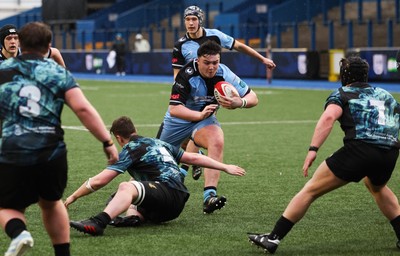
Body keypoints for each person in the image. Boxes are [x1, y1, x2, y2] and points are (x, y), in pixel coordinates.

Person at [248, 56, 400, 254]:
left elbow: (329, 117)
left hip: (360, 149)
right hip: (389, 153)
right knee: (377, 187)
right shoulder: (386, 95)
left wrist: (313, 149)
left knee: (310, 190)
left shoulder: (342, 93)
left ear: (345, 75)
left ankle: (273, 238)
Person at [0, 21, 119, 256]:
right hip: (51, 151)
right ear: (49, 47)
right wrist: (107, 142)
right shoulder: (57, 72)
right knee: (52, 203)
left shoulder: (3, 72)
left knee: (7, 206)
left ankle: (19, 232)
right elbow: (83, 109)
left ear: (21, 44)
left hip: (14, 149)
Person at [64, 116, 245, 236]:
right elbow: (194, 157)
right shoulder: (158, 143)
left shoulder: (131, 149)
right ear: (134, 131)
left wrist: (72, 196)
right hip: (175, 202)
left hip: (167, 194)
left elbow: (100, 181)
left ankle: (98, 222)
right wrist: (224, 166)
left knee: (125, 187)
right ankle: (135, 217)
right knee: (127, 189)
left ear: (119, 138)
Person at [172, 5, 276, 180]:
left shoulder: (214, 35)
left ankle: (185, 174)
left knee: (195, 127)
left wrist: (262, 58)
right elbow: (177, 75)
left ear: (200, 20)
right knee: (185, 135)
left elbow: (239, 46)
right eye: (187, 19)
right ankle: (198, 160)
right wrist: (179, 93)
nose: (190, 23)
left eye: (194, 19)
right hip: (191, 93)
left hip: (211, 93)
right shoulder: (180, 45)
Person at [157, 40, 258, 214]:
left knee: (217, 140)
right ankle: (192, 158)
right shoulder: (186, 74)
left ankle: (209, 196)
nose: (211, 67)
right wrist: (199, 115)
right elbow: (175, 109)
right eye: (207, 63)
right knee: (156, 160)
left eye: (215, 62)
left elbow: (253, 97)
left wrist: (239, 102)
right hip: (178, 121)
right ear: (197, 60)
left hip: (205, 121)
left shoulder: (224, 73)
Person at [0, 24, 66, 68]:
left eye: (16, 38)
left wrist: (65, 74)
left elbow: (55, 52)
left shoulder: (25, 53)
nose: (13, 42)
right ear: (2, 41)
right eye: (8, 38)